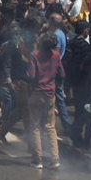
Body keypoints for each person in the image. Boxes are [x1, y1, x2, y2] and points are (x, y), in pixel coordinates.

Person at [28, 33, 64, 169]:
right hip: (50, 94)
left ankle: (37, 160)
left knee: (35, 126)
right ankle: (55, 159)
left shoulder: (34, 55)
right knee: (50, 126)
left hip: (37, 92)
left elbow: (31, 75)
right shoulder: (56, 56)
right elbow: (62, 74)